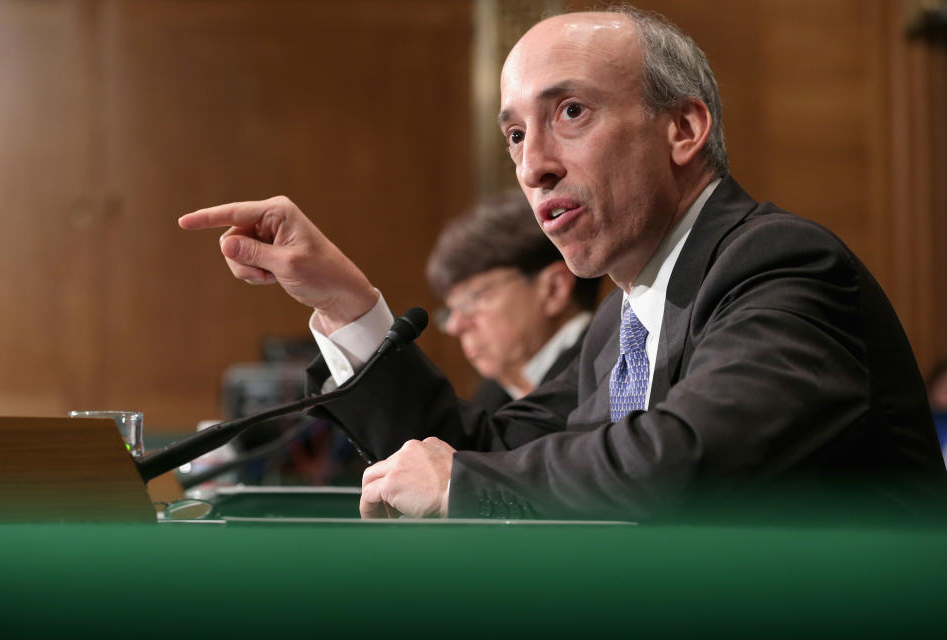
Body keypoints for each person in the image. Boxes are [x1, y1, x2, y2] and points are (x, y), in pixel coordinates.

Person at [178, 6, 945, 521]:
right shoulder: (627, 313)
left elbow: (685, 464)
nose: (533, 166)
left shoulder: (782, 268)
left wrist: (463, 487)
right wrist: (350, 307)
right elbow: (485, 451)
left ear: (682, 128)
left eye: (569, 113)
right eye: (515, 135)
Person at [426, 191, 600, 412]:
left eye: (474, 298)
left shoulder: (606, 376)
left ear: (554, 289)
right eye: (451, 309)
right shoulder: (492, 397)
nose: (455, 326)